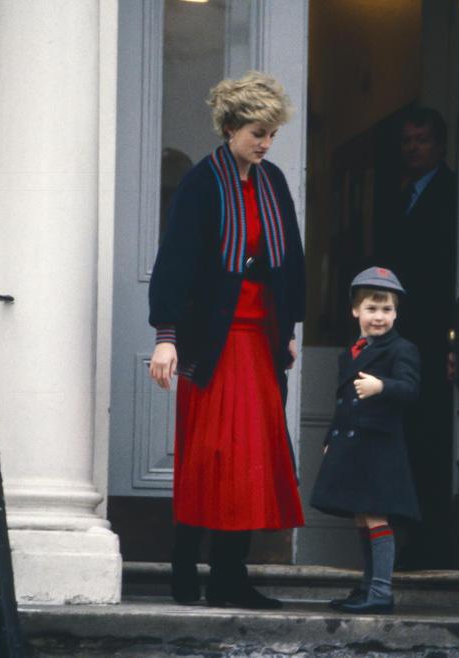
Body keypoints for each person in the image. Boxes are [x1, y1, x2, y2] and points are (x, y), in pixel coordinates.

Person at [148, 71, 306, 609]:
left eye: (271, 134)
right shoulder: (200, 182)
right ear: (231, 126)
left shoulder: (273, 181)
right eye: (257, 132)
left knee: (251, 460)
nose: (265, 143)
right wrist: (166, 338)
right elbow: (175, 263)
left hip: (259, 341)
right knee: (210, 458)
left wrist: (286, 330)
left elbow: (291, 264)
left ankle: (229, 576)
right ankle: (183, 568)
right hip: (210, 345)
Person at [310, 266, 421, 614]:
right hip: (352, 446)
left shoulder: (401, 349)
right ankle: (366, 586)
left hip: (378, 448)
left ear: (396, 313)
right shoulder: (351, 352)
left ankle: (381, 591)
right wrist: (331, 437)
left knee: (376, 517)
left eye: (387, 309)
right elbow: (342, 400)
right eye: (372, 309)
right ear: (355, 311)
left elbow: (411, 390)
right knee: (361, 517)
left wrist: (381, 386)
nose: (379, 317)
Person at [373, 107, 457, 569]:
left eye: (421, 139)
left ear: (440, 145)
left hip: (431, 337)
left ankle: (431, 542)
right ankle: (402, 541)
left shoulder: (453, 193)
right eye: (406, 140)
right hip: (396, 335)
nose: (412, 148)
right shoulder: (396, 194)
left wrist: (452, 340)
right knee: (398, 438)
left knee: (429, 439)